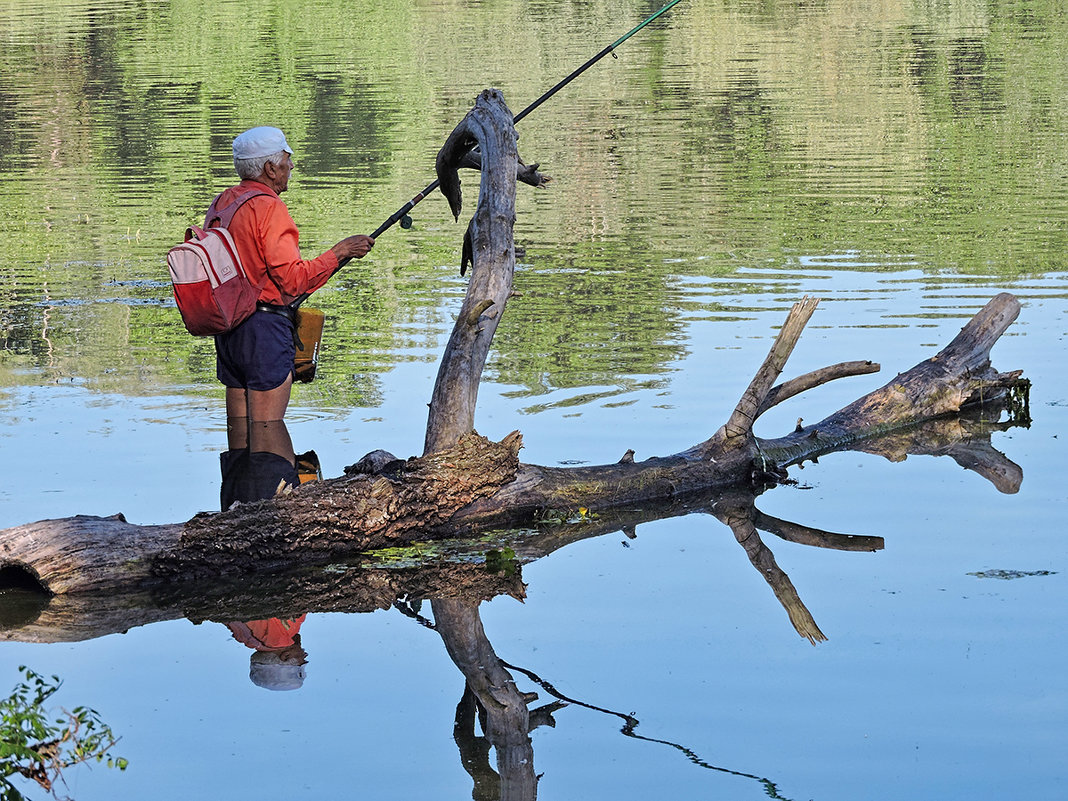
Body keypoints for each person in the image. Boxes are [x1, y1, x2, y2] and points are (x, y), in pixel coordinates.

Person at [213, 125, 374, 464]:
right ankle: (277, 510)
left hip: (228, 329)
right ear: (270, 169)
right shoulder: (269, 208)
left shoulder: (224, 202)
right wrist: (340, 252)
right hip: (264, 330)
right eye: (287, 160)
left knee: (240, 432)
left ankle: (235, 512)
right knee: (269, 428)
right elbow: (292, 281)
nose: (291, 167)